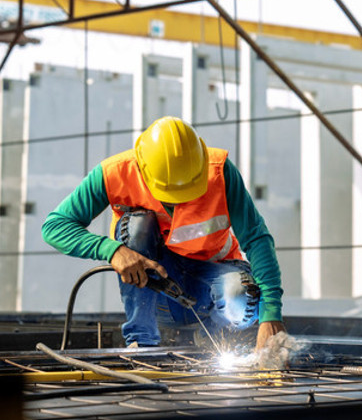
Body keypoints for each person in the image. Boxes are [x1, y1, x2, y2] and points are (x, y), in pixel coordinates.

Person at [42, 116, 285, 350]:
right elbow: (55, 226)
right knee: (137, 227)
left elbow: (256, 238)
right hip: (159, 291)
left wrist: (271, 315)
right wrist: (112, 250)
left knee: (241, 293)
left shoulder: (220, 172)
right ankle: (142, 341)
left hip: (212, 288)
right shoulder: (115, 173)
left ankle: (214, 338)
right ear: (142, 170)